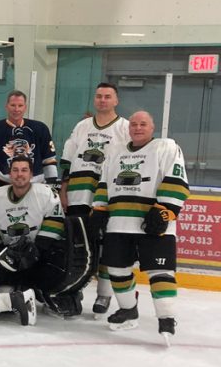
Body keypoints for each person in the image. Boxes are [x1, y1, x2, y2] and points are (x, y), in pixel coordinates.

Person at [92, 111, 189, 343]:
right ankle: (128, 310)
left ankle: (166, 317)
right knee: (116, 270)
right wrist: (99, 209)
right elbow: (104, 183)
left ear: (152, 127)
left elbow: (177, 179)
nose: (137, 127)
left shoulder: (166, 147)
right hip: (119, 223)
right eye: (134, 124)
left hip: (153, 224)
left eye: (143, 124)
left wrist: (164, 210)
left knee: (160, 272)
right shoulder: (115, 151)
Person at [59, 82, 130, 318]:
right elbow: (68, 159)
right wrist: (64, 189)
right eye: (99, 96)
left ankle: (104, 293)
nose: (102, 100)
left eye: (107, 96)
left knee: (107, 245)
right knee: (78, 244)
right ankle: (74, 289)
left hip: (107, 195)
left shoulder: (125, 127)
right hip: (79, 193)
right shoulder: (82, 126)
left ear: (116, 100)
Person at [0, 156, 64, 293]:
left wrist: (36, 251)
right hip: (10, 259)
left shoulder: (45, 193)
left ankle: (52, 291)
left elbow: (55, 225)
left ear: (31, 174)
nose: (19, 174)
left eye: (24, 170)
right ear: (9, 174)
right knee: (4, 294)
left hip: (41, 256)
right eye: (15, 170)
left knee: (52, 284)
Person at [0, 90, 58, 197]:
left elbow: (49, 159)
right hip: (1, 185)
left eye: (20, 105)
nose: (16, 109)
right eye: (13, 105)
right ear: (6, 106)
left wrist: (52, 183)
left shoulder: (40, 129)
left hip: (35, 186)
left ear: (25, 107)